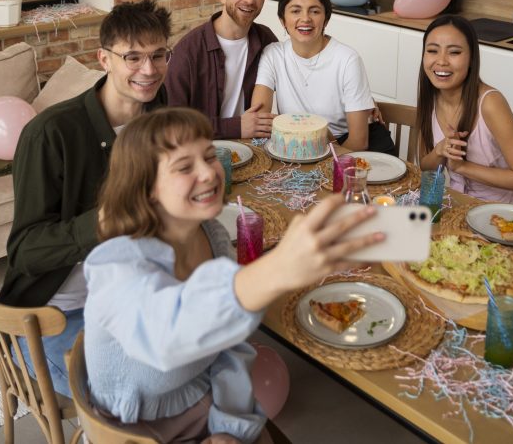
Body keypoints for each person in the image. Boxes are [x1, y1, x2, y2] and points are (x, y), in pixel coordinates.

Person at [84, 107, 381, 443]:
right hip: (135, 431)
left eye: (210, 156)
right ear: (146, 186)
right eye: (184, 167)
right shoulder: (114, 263)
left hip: (206, 407)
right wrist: (276, 268)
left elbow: (229, 347)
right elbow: (166, 339)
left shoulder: (212, 234)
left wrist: (230, 424)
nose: (209, 174)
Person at [0, 0, 171, 396]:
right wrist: (103, 223)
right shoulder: (51, 134)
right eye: (133, 57)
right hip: (58, 313)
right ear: (104, 59)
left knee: (206, 360)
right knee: (143, 393)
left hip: (132, 296)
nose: (149, 69)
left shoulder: (160, 115)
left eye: (159, 55)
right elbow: (26, 251)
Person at [252, 0, 393, 153]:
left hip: (348, 148)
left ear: (326, 20)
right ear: (282, 20)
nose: (305, 19)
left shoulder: (347, 59)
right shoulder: (273, 54)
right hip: (302, 148)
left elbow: (359, 142)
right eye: (296, 11)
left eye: (314, 11)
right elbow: (260, 120)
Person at [417, 14, 513, 205]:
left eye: (454, 52)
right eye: (432, 51)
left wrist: (462, 167)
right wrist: (439, 151)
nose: (441, 61)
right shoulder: (432, 95)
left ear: (472, 58)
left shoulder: (490, 103)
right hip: (459, 207)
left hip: (505, 219)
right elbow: (425, 166)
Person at [166, 0, 277, 140]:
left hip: (254, 147)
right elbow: (171, 124)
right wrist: (235, 127)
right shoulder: (188, 51)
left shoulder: (266, 40)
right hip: (203, 151)